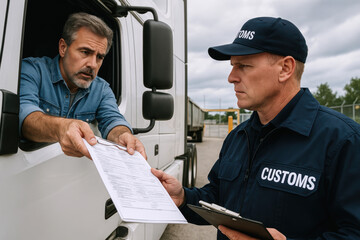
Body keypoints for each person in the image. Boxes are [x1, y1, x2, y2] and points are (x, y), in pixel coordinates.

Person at [152, 16, 360, 239]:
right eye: (233, 66)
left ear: (285, 68)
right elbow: (220, 198)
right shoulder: (238, 137)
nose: (231, 77)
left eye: (243, 66)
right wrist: (183, 197)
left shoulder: (342, 141)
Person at [20, 12, 146, 159]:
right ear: (63, 48)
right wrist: (61, 128)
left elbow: (113, 120)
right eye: (85, 52)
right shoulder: (32, 70)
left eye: (99, 57)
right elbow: (24, 116)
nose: (93, 64)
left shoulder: (101, 89)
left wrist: (123, 135)